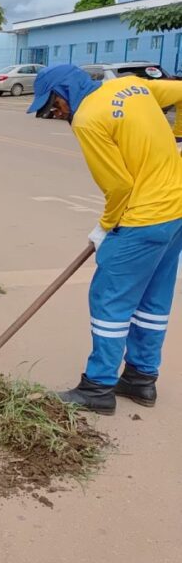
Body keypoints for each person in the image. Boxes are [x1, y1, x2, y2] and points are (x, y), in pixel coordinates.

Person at [27, 64, 182, 414]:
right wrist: (179, 138)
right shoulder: (134, 87)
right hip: (176, 213)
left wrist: (105, 227)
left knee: (110, 300)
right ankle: (141, 379)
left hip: (142, 218)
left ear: (65, 93)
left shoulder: (88, 119)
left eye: (54, 105)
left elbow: (119, 186)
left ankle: (98, 387)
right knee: (153, 299)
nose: (56, 113)